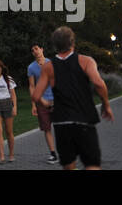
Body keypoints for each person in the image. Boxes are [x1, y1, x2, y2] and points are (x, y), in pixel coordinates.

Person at [30, 26, 114, 170]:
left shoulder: (48, 67)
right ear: (73, 42)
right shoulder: (86, 61)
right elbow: (99, 84)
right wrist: (106, 104)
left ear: (55, 45)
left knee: (68, 165)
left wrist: (48, 104)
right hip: (84, 119)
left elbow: (36, 95)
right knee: (92, 164)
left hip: (62, 122)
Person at [27, 44, 58, 163]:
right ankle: (53, 153)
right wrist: (34, 104)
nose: (35, 51)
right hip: (41, 102)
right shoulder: (31, 67)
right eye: (32, 50)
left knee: (61, 126)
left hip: (55, 100)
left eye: (36, 48)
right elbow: (31, 86)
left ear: (42, 49)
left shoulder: (52, 63)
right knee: (47, 128)